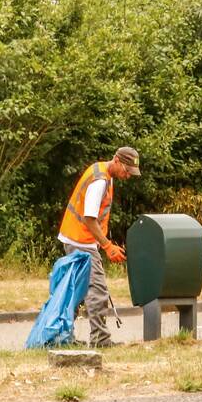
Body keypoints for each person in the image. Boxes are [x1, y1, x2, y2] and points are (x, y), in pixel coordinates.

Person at [57, 146, 141, 347]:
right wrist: (107, 246)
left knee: (75, 293)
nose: (127, 176)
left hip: (75, 238)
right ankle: (100, 339)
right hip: (81, 241)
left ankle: (62, 338)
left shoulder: (102, 171)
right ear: (117, 160)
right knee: (98, 291)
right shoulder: (100, 181)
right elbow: (89, 218)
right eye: (126, 170)